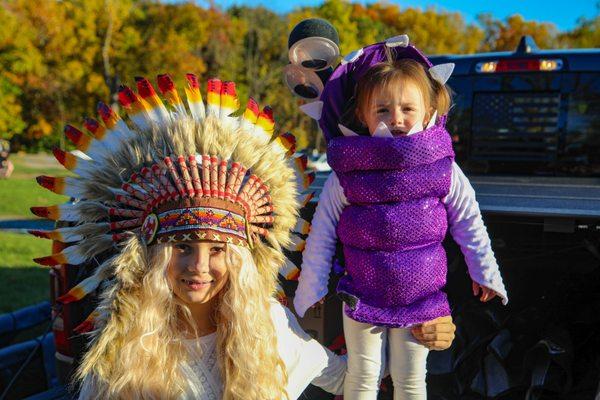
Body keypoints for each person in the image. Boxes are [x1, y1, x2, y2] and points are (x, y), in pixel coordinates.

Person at [30, 74, 456, 399]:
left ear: (239, 256)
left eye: (217, 249)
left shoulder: (270, 327)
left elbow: (352, 377)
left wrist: (421, 325)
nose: (198, 266)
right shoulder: (123, 340)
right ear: (153, 253)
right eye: (182, 247)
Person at [293, 36, 508, 399]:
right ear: (362, 115)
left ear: (428, 112)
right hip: (362, 292)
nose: (396, 118)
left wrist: (485, 273)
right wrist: (310, 290)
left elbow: (469, 222)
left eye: (407, 109)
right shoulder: (348, 172)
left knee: (410, 381)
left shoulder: (444, 169)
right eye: (382, 110)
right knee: (362, 378)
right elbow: (323, 232)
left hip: (420, 296)